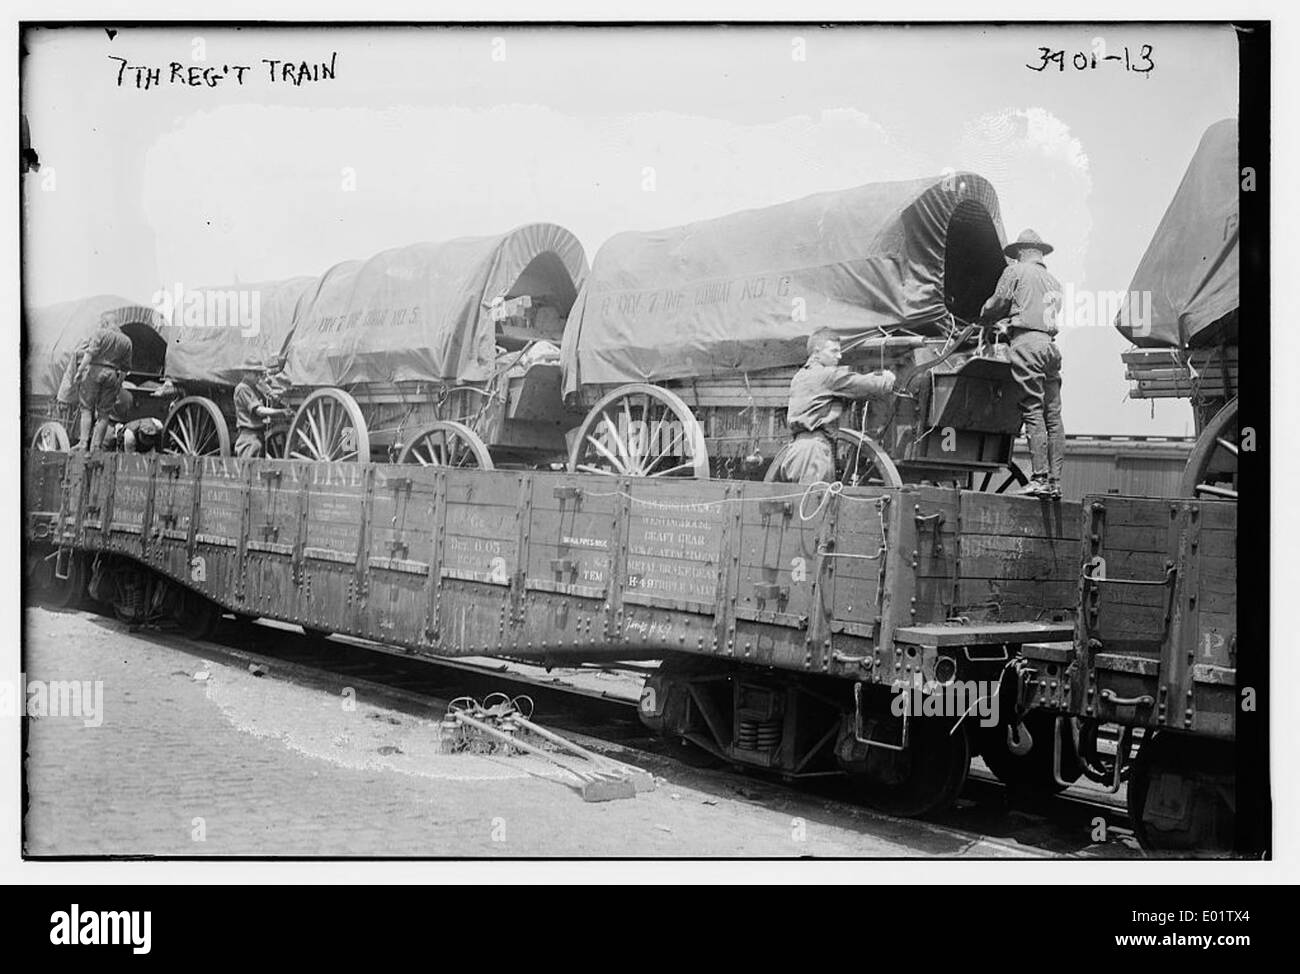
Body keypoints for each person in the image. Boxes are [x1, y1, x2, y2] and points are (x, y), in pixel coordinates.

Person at [981, 229, 1065, 499]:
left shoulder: (1015, 272)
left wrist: (985, 314)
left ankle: (1039, 478)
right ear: (1040, 253)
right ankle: (1054, 481)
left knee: (1032, 409)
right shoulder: (1054, 282)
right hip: (1050, 348)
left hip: (1026, 345)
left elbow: (997, 304)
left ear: (1022, 252)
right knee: (1053, 415)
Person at [775, 328, 896, 484]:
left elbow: (825, 403)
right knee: (816, 504)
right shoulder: (827, 376)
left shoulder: (800, 377)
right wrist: (886, 378)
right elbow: (860, 384)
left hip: (795, 451)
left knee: (801, 505)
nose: (839, 356)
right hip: (814, 453)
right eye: (834, 351)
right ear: (817, 352)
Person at [75, 319, 133, 451]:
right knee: (104, 413)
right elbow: (125, 368)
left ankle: (83, 443)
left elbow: (89, 355)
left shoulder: (100, 333)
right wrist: (119, 383)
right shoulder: (126, 341)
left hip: (94, 371)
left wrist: (79, 371)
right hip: (112, 374)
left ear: (105, 324)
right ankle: (96, 446)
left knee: (86, 409)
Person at [234, 358, 291, 458]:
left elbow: (270, 396)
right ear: (246, 373)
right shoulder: (242, 388)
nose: (259, 377)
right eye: (256, 374)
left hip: (258, 436)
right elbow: (259, 410)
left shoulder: (255, 387)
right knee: (249, 470)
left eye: (260, 374)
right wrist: (280, 412)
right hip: (249, 438)